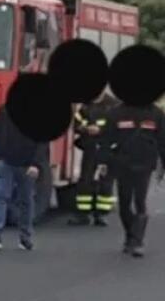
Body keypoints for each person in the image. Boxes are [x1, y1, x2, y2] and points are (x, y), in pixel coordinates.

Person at [0, 104, 49, 251]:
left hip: (26, 164)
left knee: (25, 200)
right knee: (1, 196)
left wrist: (36, 164)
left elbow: (42, 141)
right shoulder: (5, 110)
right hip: (7, 161)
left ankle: (25, 237)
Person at [98, 98, 165, 257]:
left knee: (140, 201)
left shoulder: (156, 113)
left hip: (145, 163)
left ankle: (137, 241)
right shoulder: (116, 112)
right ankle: (130, 235)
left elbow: (163, 141)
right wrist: (103, 161)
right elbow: (106, 139)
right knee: (125, 202)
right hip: (122, 163)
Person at [70, 88, 118, 226]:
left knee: (106, 182)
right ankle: (82, 215)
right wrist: (85, 128)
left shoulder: (113, 105)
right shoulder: (86, 105)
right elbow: (77, 122)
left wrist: (100, 130)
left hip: (108, 149)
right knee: (85, 180)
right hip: (90, 148)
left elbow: (117, 125)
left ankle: (101, 215)